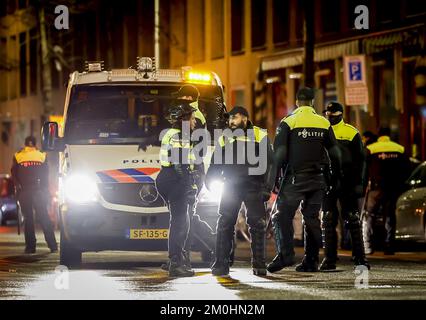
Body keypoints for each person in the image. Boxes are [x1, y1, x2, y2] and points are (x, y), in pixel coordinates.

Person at [267, 87, 342, 273]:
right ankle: (311, 261)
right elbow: (335, 154)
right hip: (317, 180)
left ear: (297, 102)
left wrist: (272, 182)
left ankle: (285, 255)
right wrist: (334, 178)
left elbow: (279, 155)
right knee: (311, 218)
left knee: (281, 215)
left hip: (294, 179)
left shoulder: (289, 122)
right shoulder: (323, 123)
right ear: (313, 102)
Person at [207, 106, 274, 276]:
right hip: (230, 186)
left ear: (244, 118)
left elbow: (270, 164)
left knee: (257, 225)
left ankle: (259, 265)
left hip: (253, 186)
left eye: (234, 118)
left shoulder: (260, 134)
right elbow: (216, 160)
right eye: (229, 118)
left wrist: (267, 187)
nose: (230, 121)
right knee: (224, 223)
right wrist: (210, 178)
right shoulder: (225, 135)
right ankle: (221, 265)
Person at [320, 102, 370, 270]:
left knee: (353, 219)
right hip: (329, 182)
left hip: (347, 182)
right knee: (328, 219)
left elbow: (361, 161)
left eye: (332, 114)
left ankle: (360, 258)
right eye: (327, 114)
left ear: (340, 114)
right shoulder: (322, 131)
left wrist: (359, 184)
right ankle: (330, 259)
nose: (329, 116)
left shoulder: (351, 132)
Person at [171, 84, 216, 266]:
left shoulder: (193, 116)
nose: (180, 100)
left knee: (186, 217)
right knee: (186, 216)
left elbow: (194, 149)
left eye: (182, 98)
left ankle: (185, 258)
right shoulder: (192, 114)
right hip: (192, 171)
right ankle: (181, 257)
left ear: (189, 98)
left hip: (192, 172)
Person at [156, 102, 198, 277]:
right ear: (185, 119)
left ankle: (174, 260)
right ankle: (176, 264)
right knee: (180, 223)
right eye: (193, 118)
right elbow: (180, 164)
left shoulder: (172, 133)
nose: (195, 121)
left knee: (180, 222)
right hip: (175, 179)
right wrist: (188, 187)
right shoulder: (180, 135)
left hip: (166, 178)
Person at [363, 127, 410, 255]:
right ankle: (389, 245)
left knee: (370, 215)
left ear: (379, 136)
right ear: (389, 135)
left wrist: (363, 186)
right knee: (389, 216)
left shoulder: (371, 148)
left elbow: (364, 169)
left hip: (375, 188)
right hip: (392, 188)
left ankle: (368, 245)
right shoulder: (400, 149)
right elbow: (406, 170)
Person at [11, 136, 57, 254]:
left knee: (28, 219)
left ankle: (30, 247)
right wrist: (46, 191)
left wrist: (17, 188)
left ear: (25, 144)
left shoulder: (18, 155)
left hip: (24, 191)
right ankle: (52, 245)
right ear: (35, 144)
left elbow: (14, 174)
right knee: (44, 217)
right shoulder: (42, 155)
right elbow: (46, 176)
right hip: (39, 191)